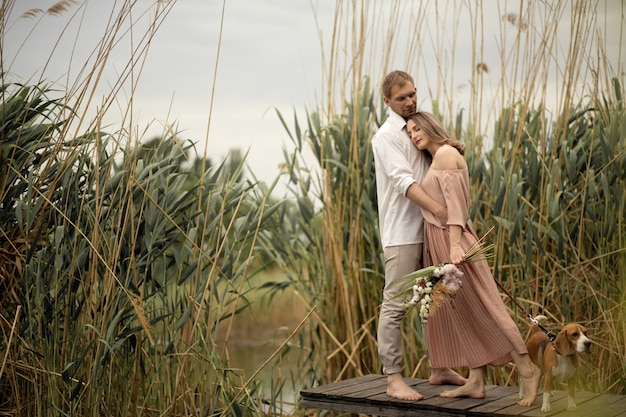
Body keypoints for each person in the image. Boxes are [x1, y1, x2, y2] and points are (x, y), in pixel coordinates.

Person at [405, 111, 541, 405]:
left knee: (489, 307)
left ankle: (527, 369)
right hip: (441, 240)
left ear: (430, 126)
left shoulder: (445, 155)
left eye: (417, 128)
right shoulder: (437, 157)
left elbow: (456, 207)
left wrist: (454, 246)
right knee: (463, 312)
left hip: (453, 241)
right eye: (410, 132)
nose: (414, 134)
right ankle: (476, 381)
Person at [371, 71, 466, 401]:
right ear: (387, 102)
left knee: (436, 301)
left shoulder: (418, 128)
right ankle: (393, 378)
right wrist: (441, 211)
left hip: (431, 231)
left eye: (412, 94)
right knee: (395, 306)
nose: (410, 101)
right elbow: (402, 182)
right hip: (403, 233)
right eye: (401, 98)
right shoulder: (386, 137)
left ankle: (439, 367)